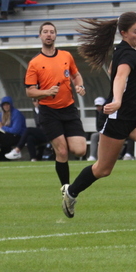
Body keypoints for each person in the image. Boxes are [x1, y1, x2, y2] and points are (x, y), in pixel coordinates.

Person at [62, 12, 136, 219]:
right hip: (118, 120)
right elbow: (119, 76)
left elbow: (114, 71)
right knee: (102, 169)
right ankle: (71, 192)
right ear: (124, 33)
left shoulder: (124, 50)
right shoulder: (128, 54)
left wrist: (124, 94)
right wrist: (117, 99)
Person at [24, 22, 87, 187]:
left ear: (55, 35)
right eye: (45, 32)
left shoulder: (66, 56)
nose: (48, 35)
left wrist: (80, 85)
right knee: (63, 151)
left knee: (80, 150)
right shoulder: (35, 63)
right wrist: (45, 92)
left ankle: (59, 142)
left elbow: (76, 75)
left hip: (69, 109)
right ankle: (65, 188)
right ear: (40, 35)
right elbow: (30, 91)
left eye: (51, 32)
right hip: (49, 111)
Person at [87, 96, 107, 161]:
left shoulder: (108, 112)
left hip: (110, 132)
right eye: (97, 106)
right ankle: (92, 156)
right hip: (102, 132)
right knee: (94, 136)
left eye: (100, 106)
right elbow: (98, 126)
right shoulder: (97, 113)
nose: (98, 107)